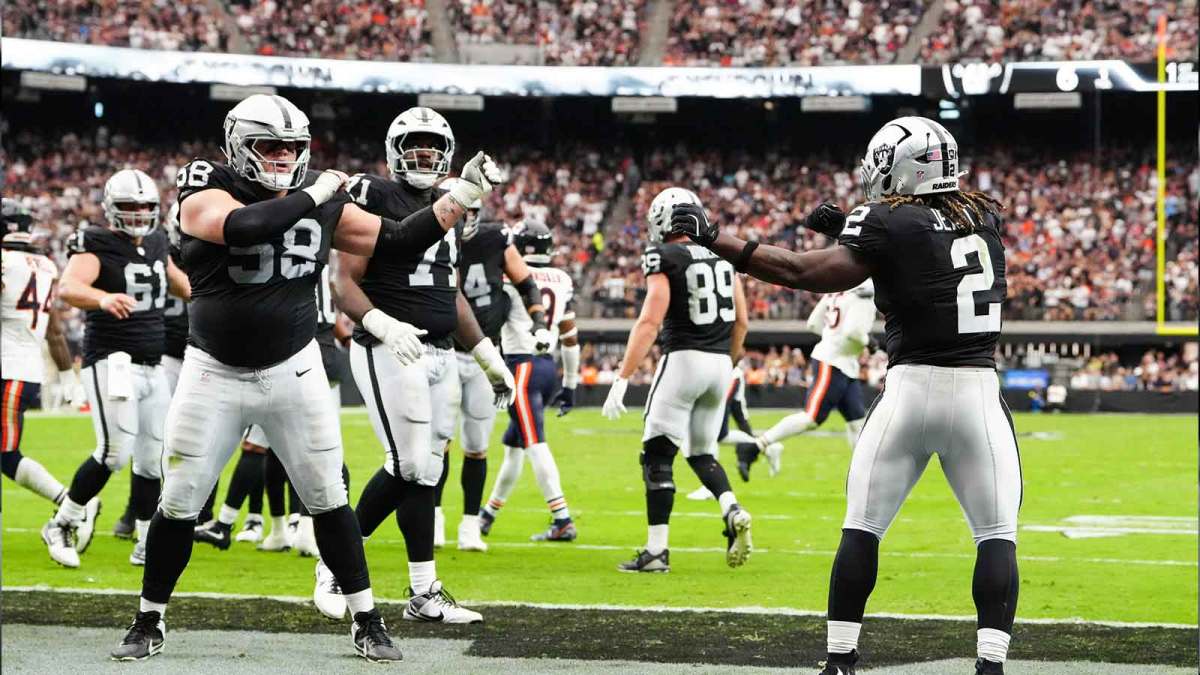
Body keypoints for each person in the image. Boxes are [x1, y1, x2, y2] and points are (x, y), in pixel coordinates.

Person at [111, 94, 497, 662]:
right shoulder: (207, 182)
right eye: (270, 146)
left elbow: (395, 239)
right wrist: (314, 193)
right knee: (181, 499)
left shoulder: (318, 196)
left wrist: (461, 195)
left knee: (327, 496)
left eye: (293, 147)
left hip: (295, 365)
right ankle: (149, 619)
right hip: (213, 369)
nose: (282, 157)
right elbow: (242, 227)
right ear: (238, 146)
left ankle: (367, 619)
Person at [669, 117, 1018, 675]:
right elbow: (925, 249)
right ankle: (991, 664)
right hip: (978, 395)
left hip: (909, 392)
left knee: (863, 527)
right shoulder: (983, 216)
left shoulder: (884, 219)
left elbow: (800, 270)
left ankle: (839, 660)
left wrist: (715, 237)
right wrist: (849, 231)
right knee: (996, 536)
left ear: (907, 166)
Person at [323, 106, 510, 625]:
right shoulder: (374, 194)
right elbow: (345, 281)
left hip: (441, 350)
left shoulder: (443, 207)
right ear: (393, 151)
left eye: (432, 146)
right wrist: (380, 323)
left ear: (447, 154)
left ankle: (424, 592)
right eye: (413, 146)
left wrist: (487, 355)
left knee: (426, 470)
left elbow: (447, 293)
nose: (422, 155)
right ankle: (333, 562)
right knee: (406, 464)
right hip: (389, 346)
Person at [44, 170, 190, 569]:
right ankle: (63, 521)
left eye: (146, 206)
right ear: (112, 208)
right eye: (130, 206)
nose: (140, 213)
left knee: (150, 458)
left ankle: (146, 541)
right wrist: (104, 298)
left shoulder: (159, 241)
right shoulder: (97, 242)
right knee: (114, 452)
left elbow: (182, 284)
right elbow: (69, 287)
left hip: (152, 363)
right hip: (113, 360)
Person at [602, 187, 752, 574]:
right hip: (720, 364)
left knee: (657, 454)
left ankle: (655, 553)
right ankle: (731, 508)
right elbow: (742, 320)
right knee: (702, 453)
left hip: (683, 359)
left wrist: (622, 377)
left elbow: (651, 319)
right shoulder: (722, 253)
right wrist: (731, 362)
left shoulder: (663, 255)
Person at [439, 179, 552, 551]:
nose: (461, 218)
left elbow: (526, 282)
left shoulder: (494, 238)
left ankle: (470, 525)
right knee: (438, 443)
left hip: (487, 355)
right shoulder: (426, 239)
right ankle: (434, 519)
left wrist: (537, 320)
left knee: (476, 446)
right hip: (442, 351)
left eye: (466, 210)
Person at [477, 220, 582, 543]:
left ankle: (562, 519)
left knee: (536, 444)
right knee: (514, 448)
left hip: (521, 367)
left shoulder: (511, 277)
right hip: (548, 367)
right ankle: (487, 515)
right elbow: (570, 336)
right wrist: (571, 384)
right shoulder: (562, 279)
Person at [1, 198, 88, 517]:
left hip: (8, 372)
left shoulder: (6, 262)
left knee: (6, 456)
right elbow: (53, 331)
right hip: (25, 371)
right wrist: (68, 378)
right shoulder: (46, 266)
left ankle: (73, 506)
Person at [113, 202, 190, 541]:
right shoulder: (158, 249)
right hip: (167, 354)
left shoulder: (215, 249)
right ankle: (137, 509)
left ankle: (195, 509)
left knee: (197, 438)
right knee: (148, 439)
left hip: (200, 354)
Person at [751, 279, 877, 477]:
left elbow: (813, 324)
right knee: (811, 417)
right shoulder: (863, 296)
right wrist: (869, 342)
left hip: (844, 364)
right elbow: (854, 332)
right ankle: (761, 443)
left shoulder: (835, 290)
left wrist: (832, 336)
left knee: (857, 422)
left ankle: (862, 474)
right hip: (833, 362)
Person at [684, 359, 780, 500]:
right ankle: (765, 447)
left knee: (711, 430)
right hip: (725, 372)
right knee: (722, 435)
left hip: (725, 373)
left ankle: (709, 486)